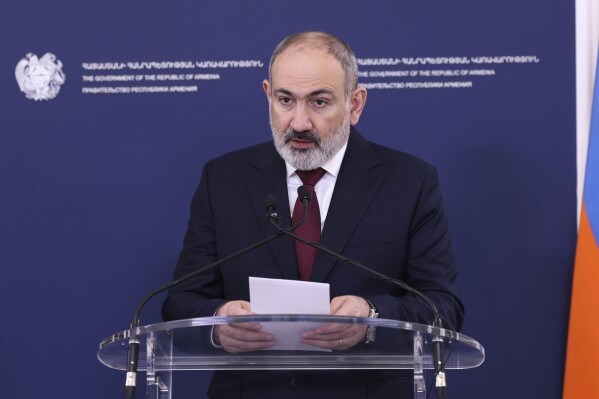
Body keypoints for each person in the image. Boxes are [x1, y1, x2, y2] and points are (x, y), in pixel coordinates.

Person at [162, 31, 464, 398]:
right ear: (267, 95)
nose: (299, 122)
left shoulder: (409, 181)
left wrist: (370, 316)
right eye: (285, 100)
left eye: (319, 102)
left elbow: (443, 308)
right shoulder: (223, 179)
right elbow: (180, 300)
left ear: (355, 104)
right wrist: (219, 322)